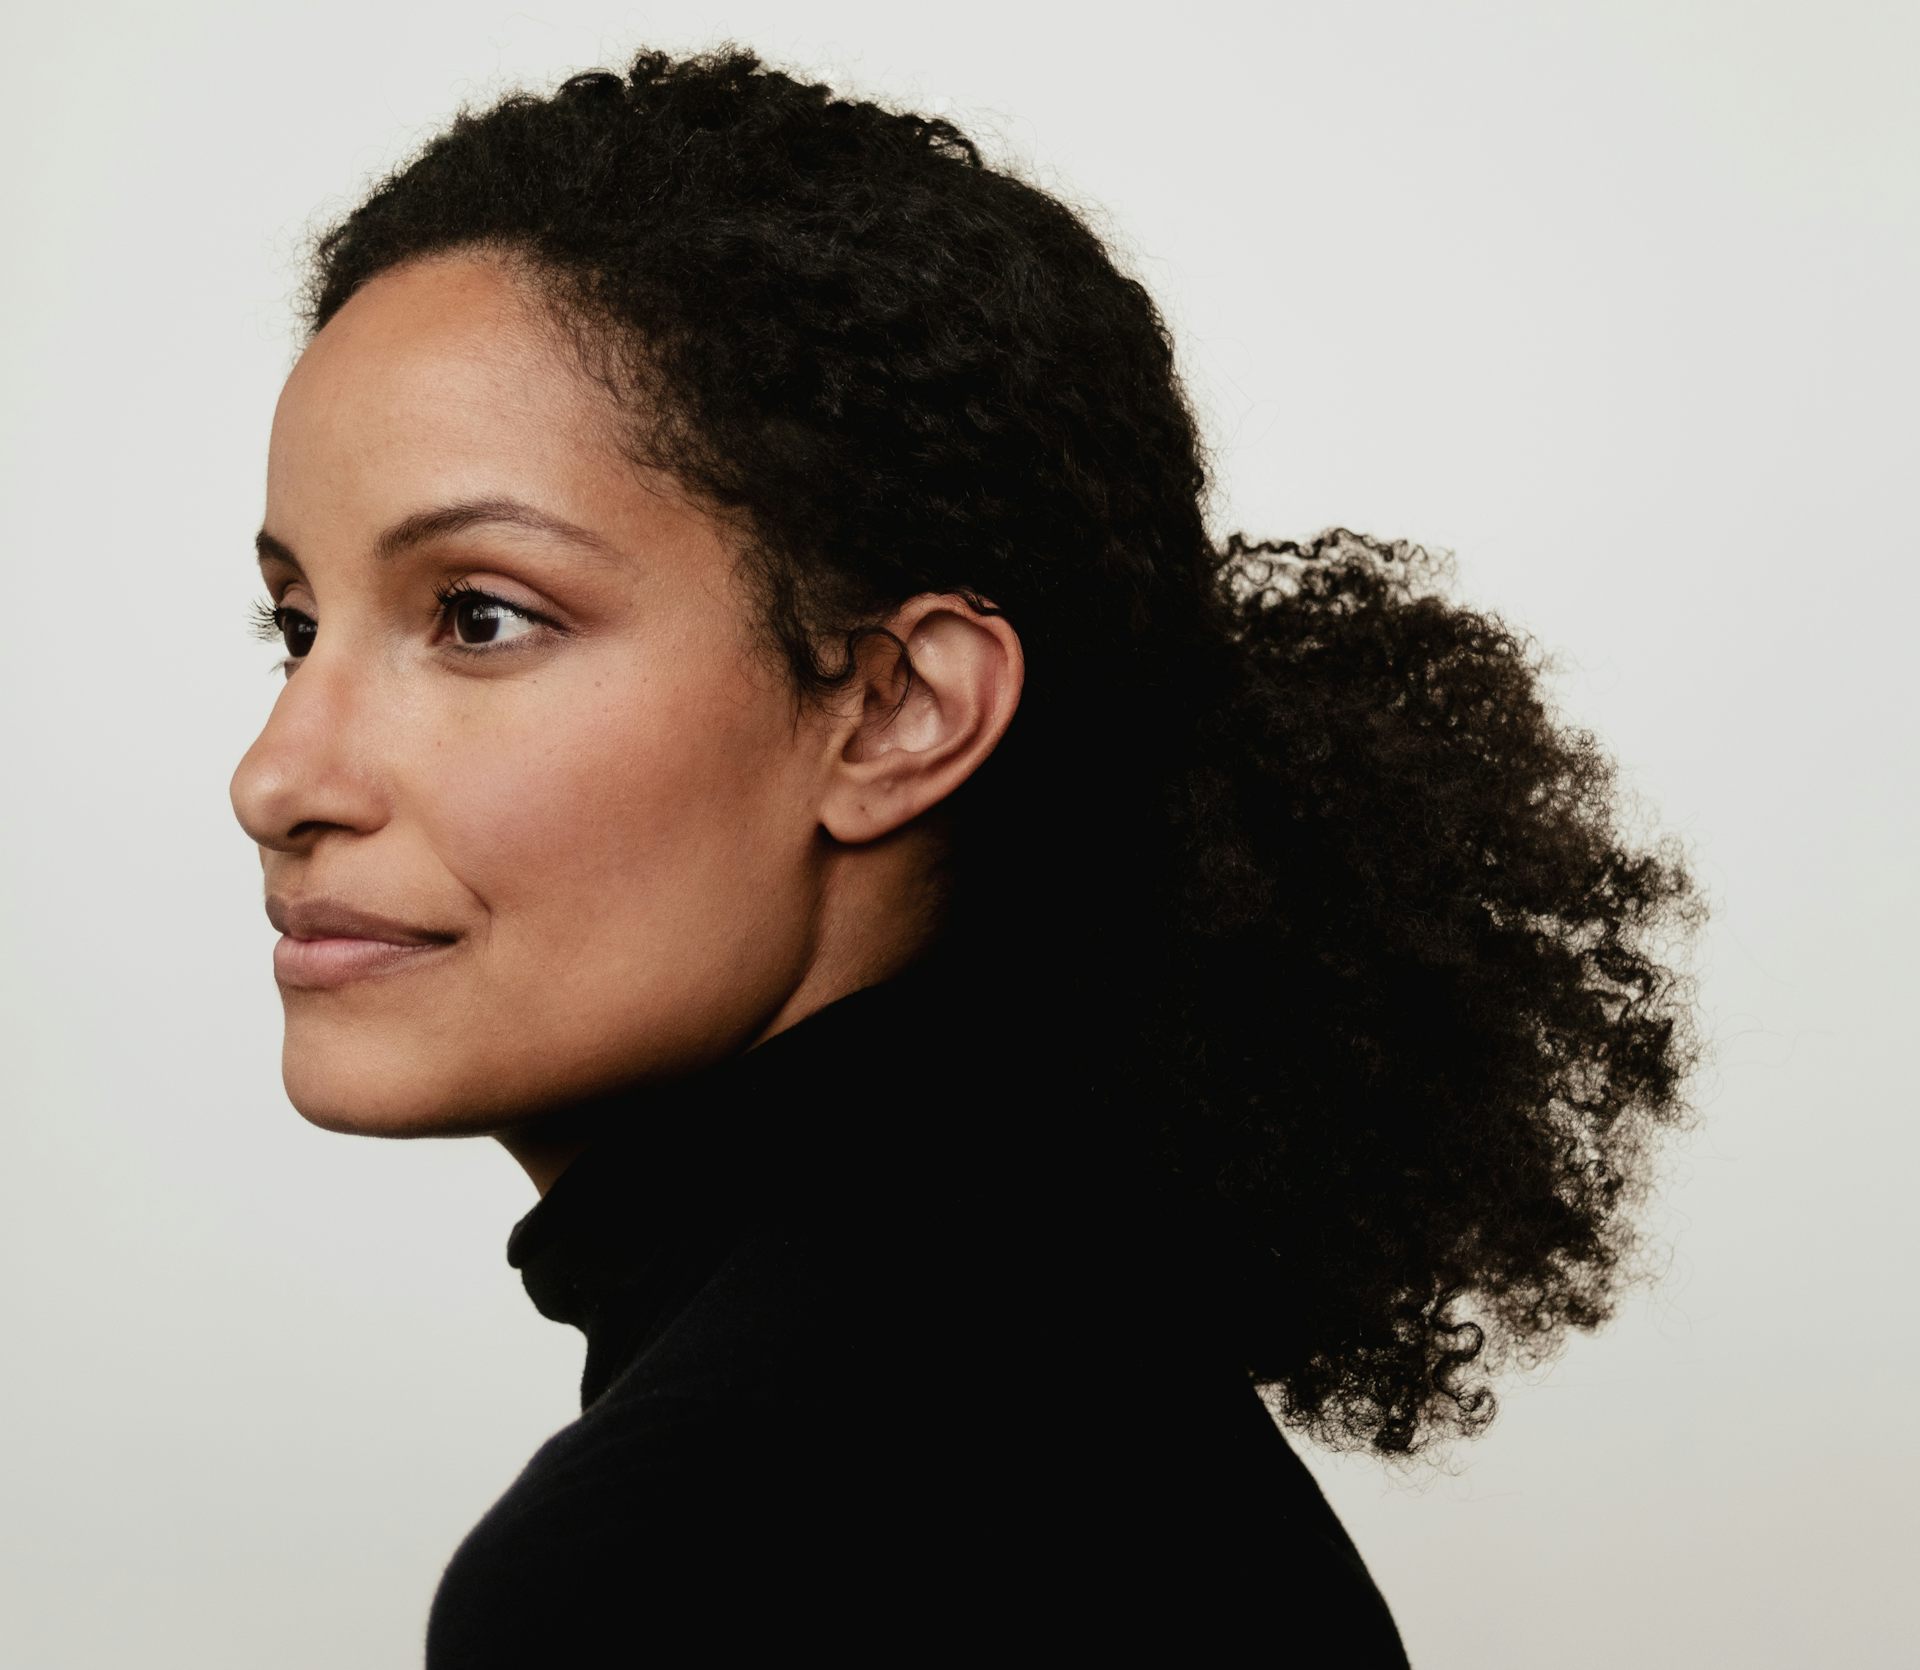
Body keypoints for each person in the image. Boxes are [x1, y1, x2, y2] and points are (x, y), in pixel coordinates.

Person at [229, 43, 1706, 1663]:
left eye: (480, 616)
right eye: (296, 625)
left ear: (893, 711)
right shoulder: (1036, 1374)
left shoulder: (709, 1549)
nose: (279, 773)